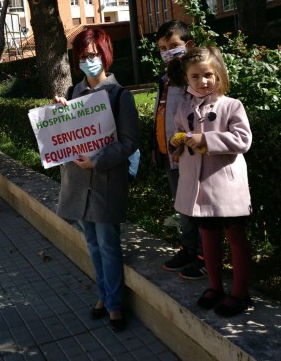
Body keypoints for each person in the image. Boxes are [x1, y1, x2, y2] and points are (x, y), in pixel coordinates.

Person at [52, 28, 139, 333]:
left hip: (105, 182)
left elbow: (129, 142)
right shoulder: (74, 93)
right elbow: (68, 134)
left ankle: (115, 304)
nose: (89, 60)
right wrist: (57, 117)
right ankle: (104, 295)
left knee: (109, 245)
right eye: (83, 55)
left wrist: (98, 161)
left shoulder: (119, 95)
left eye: (94, 54)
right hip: (79, 183)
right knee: (92, 243)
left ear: (105, 54)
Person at [171, 46, 253, 317]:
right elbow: (180, 135)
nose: (202, 81)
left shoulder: (231, 105)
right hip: (200, 186)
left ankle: (240, 293)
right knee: (208, 235)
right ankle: (215, 286)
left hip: (226, 187)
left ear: (218, 74)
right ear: (187, 79)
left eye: (208, 74)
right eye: (195, 76)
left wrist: (206, 140)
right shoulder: (185, 108)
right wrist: (177, 142)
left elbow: (243, 140)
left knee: (235, 237)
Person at [153, 21, 205, 279]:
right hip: (169, 156)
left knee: (198, 207)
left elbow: (197, 117)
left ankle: (204, 256)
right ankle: (188, 249)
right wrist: (158, 147)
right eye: (163, 48)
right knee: (183, 207)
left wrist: (183, 145)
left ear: (188, 45)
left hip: (190, 156)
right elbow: (163, 115)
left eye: (173, 46)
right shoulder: (164, 80)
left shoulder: (194, 78)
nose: (167, 52)